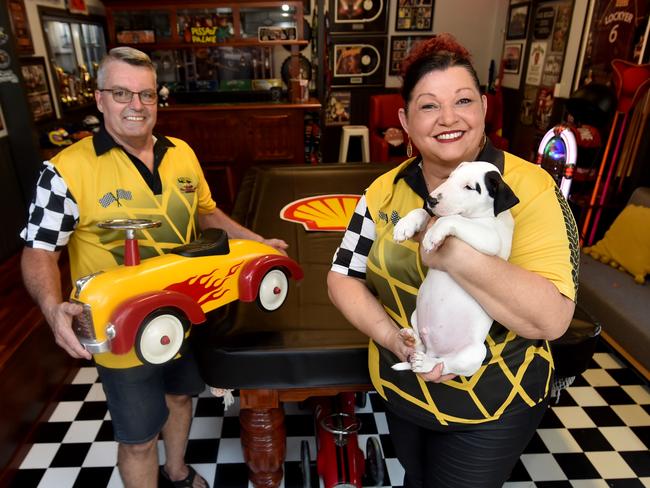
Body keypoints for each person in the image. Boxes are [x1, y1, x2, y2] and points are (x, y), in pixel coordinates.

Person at [20, 47, 288, 488]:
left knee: (182, 396)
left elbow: (207, 214)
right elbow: (39, 250)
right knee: (139, 436)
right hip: (120, 324)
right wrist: (52, 309)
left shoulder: (181, 152)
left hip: (182, 307)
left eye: (147, 95)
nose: (137, 106)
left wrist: (257, 243)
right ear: (100, 98)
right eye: (122, 93)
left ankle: (177, 471)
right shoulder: (64, 171)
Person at [328, 34, 579, 488]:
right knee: (417, 479)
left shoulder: (530, 188)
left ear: (484, 107)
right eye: (428, 106)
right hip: (405, 385)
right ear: (405, 119)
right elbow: (342, 276)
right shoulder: (384, 190)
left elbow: (552, 319)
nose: (448, 118)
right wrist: (392, 338)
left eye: (462, 100)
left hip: (496, 399)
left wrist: (447, 246)